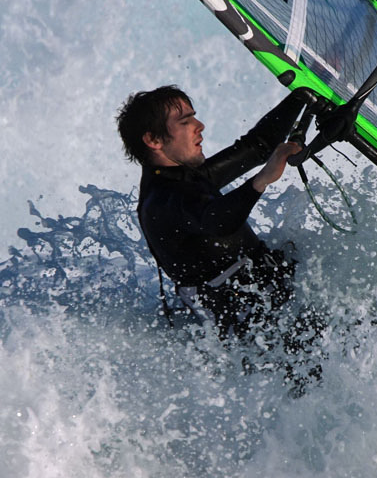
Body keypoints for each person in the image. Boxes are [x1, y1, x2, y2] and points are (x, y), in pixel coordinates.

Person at [116, 85, 315, 347]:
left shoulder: (186, 175)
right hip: (249, 329)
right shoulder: (161, 202)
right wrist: (262, 180)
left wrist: (302, 96)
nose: (200, 125)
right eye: (185, 121)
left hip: (269, 288)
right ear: (154, 140)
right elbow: (216, 221)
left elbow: (258, 146)